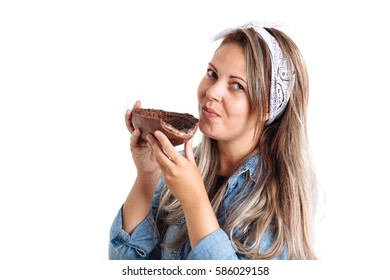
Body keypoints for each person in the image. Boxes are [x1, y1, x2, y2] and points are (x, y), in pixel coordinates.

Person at [109, 21, 318, 260]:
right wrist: (147, 175)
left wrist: (195, 201)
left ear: (267, 109)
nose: (212, 92)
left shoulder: (283, 194)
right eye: (212, 74)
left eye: (237, 86)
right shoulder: (183, 168)